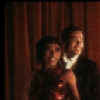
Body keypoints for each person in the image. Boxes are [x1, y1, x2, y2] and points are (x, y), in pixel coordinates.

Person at [21, 36, 80, 100]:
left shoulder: (66, 74)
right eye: (48, 49)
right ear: (41, 52)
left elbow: (75, 98)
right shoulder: (33, 76)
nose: (53, 53)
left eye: (57, 49)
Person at [61, 26, 100, 100]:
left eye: (82, 40)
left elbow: (96, 95)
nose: (79, 44)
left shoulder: (91, 66)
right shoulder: (54, 63)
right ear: (64, 42)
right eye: (74, 40)